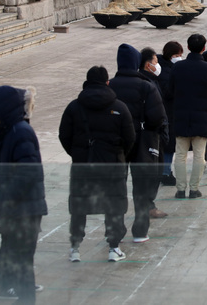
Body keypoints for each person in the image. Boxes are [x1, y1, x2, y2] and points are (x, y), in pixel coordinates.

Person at [58, 66, 135, 263]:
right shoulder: (119, 107)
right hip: (112, 166)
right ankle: (114, 247)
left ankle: (75, 248)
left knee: (79, 205)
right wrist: (119, 155)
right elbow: (130, 137)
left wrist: (78, 154)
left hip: (83, 166)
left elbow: (64, 136)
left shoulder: (74, 107)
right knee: (114, 205)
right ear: (107, 82)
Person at [0, 85, 48, 303]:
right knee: (16, 251)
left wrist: (10, 200)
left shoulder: (20, 132)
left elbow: (27, 173)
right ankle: (15, 289)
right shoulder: (9, 131)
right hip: (17, 206)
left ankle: (22, 292)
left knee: (21, 253)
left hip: (23, 207)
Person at [109, 43, 166, 243]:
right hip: (142, 141)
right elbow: (158, 116)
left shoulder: (110, 85)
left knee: (117, 186)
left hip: (116, 143)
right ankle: (140, 230)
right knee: (142, 185)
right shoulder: (146, 86)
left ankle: (115, 229)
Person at [168, 34, 207, 199]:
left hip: (181, 115)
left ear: (188, 47)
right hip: (203, 116)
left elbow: (168, 92)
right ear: (204, 48)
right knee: (200, 155)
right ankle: (193, 189)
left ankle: (180, 189)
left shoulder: (177, 68)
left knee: (181, 154)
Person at [139, 47, 169, 219]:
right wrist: (163, 132)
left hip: (144, 134)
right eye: (156, 63)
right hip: (151, 135)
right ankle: (148, 206)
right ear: (148, 64)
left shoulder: (151, 81)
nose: (158, 66)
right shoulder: (148, 84)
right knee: (152, 172)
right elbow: (157, 113)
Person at [156, 41, 184, 186]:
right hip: (167, 112)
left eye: (180, 55)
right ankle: (165, 172)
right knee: (167, 144)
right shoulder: (166, 71)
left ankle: (165, 171)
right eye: (176, 55)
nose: (179, 57)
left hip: (168, 111)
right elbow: (168, 91)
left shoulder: (167, 67)